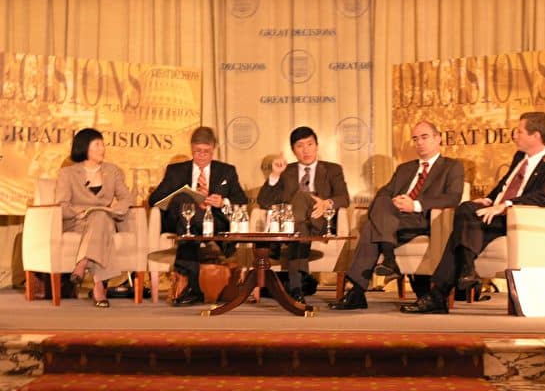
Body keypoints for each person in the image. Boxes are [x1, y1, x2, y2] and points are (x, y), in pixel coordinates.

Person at [402, 111, 545, 314]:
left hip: (517, 221)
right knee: (466, 211)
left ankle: (444, 291)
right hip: (495, 215)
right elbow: (505, 184)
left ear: (535, 136)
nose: (514, 135)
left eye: (519, 131)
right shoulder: (520, 157)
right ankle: (463, 275)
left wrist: (506, 205)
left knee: (462, 227)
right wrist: (489, 200)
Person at [329, 121, 464, 310]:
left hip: (423, 219)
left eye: (424, 137)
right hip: (394, 219)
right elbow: (385, 192)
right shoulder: (405, 168)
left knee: (372, 227)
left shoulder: (452, 166)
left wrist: (414, 205)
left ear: (438, 138)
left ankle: (359, 289)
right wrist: (394, 202)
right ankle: (387, 261)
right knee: (382, 201)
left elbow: (453, 197)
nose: (419, 143)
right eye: (415, 139)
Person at [148, 127, 247, 306]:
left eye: (206, 152)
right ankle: (216, 244)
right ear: (191, 148)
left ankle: (190, 286)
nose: (201, 156)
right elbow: (154, 199)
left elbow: (242, 200)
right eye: (197, 151)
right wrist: (182, 198)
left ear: (214, 149)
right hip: (179, 219)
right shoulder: (176, 171)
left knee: (189, 225)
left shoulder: (226, 171)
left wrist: (222, 202)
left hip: (213, 221)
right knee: (184, 200)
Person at [257, 126, 350, 303]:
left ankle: (275, 246)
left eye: (310, 144)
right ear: (293, 150)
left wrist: (325, 203)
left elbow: (344, 198)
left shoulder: (332, 169)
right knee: (300, 228)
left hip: (320, 222)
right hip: (297, 227)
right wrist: (275, 175)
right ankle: (296, 288)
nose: (306, 150)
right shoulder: (286, 171)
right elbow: (263, 201)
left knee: (301, 196)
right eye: (300, 146)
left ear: (317, 146)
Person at [57, 128, 133, 308]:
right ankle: (99, 287)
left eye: (103, 145)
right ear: (85, 147)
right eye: (97, 144)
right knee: (101, 221)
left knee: (101, 216)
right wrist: (80, 211)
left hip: (104, 220)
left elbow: (126, 198)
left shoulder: (112, 171)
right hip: (78, 222)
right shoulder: (67, 173)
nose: (102, 149)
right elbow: (62, 205)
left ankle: (82, 263)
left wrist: (114, 210)